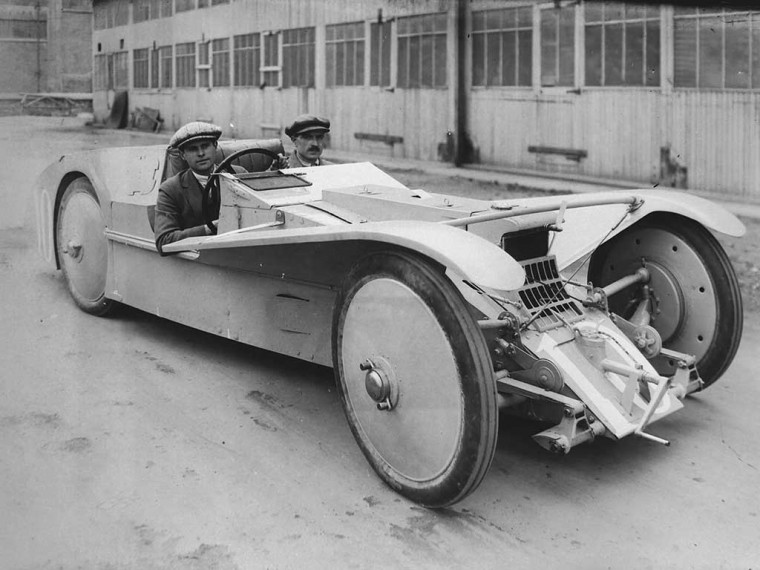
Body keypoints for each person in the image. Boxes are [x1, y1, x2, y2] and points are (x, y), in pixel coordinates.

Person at [154, 121, 239, 255]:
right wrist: (209, 228)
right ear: (182, 155)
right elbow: (164, 241)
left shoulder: (239, 175)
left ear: (215, 146)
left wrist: (277, 169)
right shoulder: (171, 189)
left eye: (205, 146)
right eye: (193, 149)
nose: (201, 153)